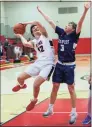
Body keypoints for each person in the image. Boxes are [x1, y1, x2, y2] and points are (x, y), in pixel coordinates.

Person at [37, 2, 91, 124]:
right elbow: (50, 21)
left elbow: (80, 24)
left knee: (71, 88)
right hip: (60, 65)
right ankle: (50, 109)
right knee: (55, 86)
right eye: (66, 25)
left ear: (72, 28)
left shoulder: (74, 35)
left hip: (70, 66)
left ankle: (73, 112)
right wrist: (41, 12)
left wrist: (85, 10)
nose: (65, 26)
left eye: (68, 25)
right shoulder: (61, 33)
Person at [12, 21, 55, 111]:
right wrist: (20, 36)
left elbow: (38, 23)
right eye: (33, 29)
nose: (35, 28)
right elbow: (25, 44)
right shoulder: (34, 41)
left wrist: (27, 23)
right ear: (32, 33)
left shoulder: (45, 36)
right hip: (38, 62)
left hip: (48, 64)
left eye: (37, 27)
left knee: (36, 84)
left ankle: (34, 100)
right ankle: (21, 85)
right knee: (19, 78)